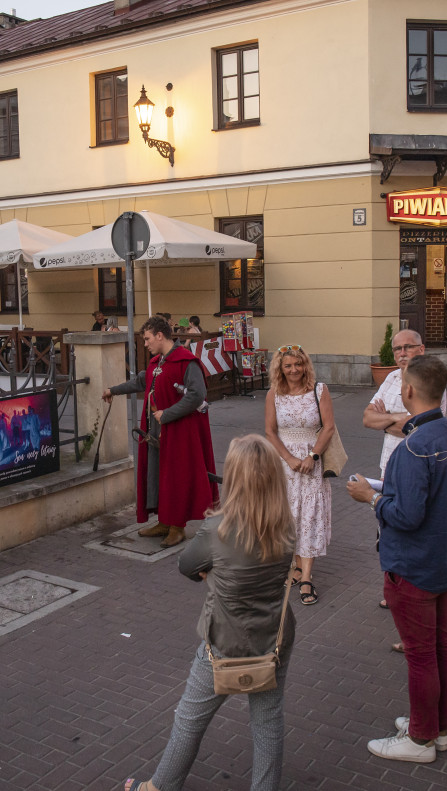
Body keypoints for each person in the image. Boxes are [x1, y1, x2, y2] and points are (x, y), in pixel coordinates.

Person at [123, 434, 297, 791]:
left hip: (224, 638)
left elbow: (186, 566)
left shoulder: (216, 530)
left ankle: (161, 786)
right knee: (268, 721)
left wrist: (211, 572)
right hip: (274, 635)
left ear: (234, 479)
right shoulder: (286, 527)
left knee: (190, 717)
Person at [346, 356, 447, 763]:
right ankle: (438, 729)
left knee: (421, 654)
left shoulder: (413, 446)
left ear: (408, 392)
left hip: (414, 565)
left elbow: (407, 515)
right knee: (439, 647)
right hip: (446, 560)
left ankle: (420, 740)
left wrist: (372, 497)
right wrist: (387, 490)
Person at [103, 316, 218, 548]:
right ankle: (164, 522)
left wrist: (167, 414)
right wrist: (112, 390)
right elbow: (139, 382)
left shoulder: (187, 362)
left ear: (159, 335)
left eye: (147, 339)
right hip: (155, 432)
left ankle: (177, 527)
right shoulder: (158, 363)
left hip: (179, 432)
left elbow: (197, 394)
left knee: (176, 478)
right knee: (158, 475)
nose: (144, 344)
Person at [362, 329, 447, 611]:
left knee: (409, 523)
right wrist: (399, 419)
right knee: (385, 528)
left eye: (407, 348)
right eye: (397, 349)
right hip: (388, 465)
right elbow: (366, 418)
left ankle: (412, 588)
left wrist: (385, 419)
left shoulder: (430, 379)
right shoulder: (391, 378)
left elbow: (424, 425)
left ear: (421, 350)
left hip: (416, 465)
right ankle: (392, 586)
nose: (401, 354)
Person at [264, 345, 333, 606]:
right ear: (280, 369)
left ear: (306, 365)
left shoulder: (319, 390)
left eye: (298, 364)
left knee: (309, 515)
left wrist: (312, 456)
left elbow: (329, 427)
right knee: (288, 515)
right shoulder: (274, 394)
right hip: (284, 463)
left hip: (312, 461)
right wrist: (290, 458)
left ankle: (306, 576)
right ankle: (293, 566)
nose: (294, 370)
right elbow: (270, 431)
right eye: (288, 366)